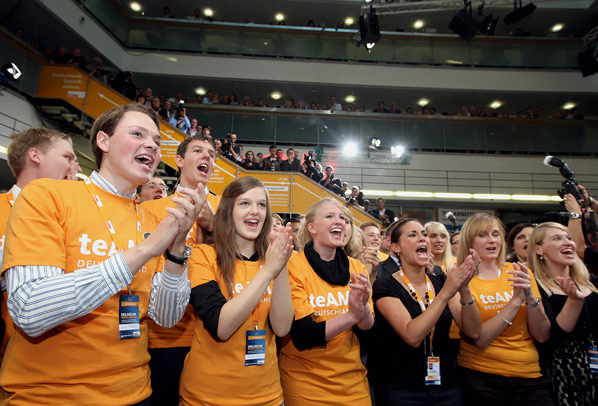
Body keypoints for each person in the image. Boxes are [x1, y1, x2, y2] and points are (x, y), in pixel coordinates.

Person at [0, 104, 202, 405]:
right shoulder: (46, 195)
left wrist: (175, 249)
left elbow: (167, 317)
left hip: (135, 393)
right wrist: (145, 250)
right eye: (137, 134)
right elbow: (29, 308)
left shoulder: (151, 220)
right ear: (103, 142)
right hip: (49, 395)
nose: (152, 145)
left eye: (157, 142)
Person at [179, 177, 294, 406]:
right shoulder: (203, 256)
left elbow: (281, 328)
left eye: (262, 205)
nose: (255, 211)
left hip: (268, 397)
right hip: (207, 398)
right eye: (245, 203)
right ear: (228, 211)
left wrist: (279, 266)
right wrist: (268, 270)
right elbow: (221, 327)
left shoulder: (272, 263)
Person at [141, 134, 220, 406]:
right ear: (179, 161)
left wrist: (215, 226)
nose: (207, 157)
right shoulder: (149, 210)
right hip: (164, 339)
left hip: (215, 338)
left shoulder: (229, 211)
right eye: (198, 151)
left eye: (211, 154)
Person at [370, 218, 481, 406]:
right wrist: (446, 293)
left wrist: (464, 288)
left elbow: (474, 331)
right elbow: (412, 335)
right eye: (413, 235)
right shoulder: (385, 285)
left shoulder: (439, 282)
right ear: (396, 247)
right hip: (403, 389)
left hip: (447, 385)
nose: (422, 239)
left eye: (424, 234)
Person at [279, 198, 375, 406]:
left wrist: (364, 310)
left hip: (354, 386)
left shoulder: (357, 267)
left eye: (343, 217)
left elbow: (368, 328)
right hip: (306, 387)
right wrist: (351, 316)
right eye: (329, 216)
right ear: (311, 227)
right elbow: (303, 334)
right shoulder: (292, 266)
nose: (339, 221)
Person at [456, 213, 553, 406]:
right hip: (482, 377)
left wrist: (531, 298)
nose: (491, 240)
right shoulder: (459, 278)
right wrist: (516, 301)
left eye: (495, 234)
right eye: (482, 235)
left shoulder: (520, 273)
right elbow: (480, 338)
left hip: (530, 375)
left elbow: (542, 335)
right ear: (469, 241)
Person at [0, 127, 77, 364]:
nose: (76, 167)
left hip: (62, 355)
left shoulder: (74, 216)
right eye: (67, 157)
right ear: (36, 156)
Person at [528, 222, 598, 406]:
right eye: (557, 239)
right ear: (538, 249)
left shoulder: (593, 282)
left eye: (569, 238)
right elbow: (551, 337)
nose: (567, 243)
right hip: (562, 372)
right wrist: (574, 301)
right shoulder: (536, 286)